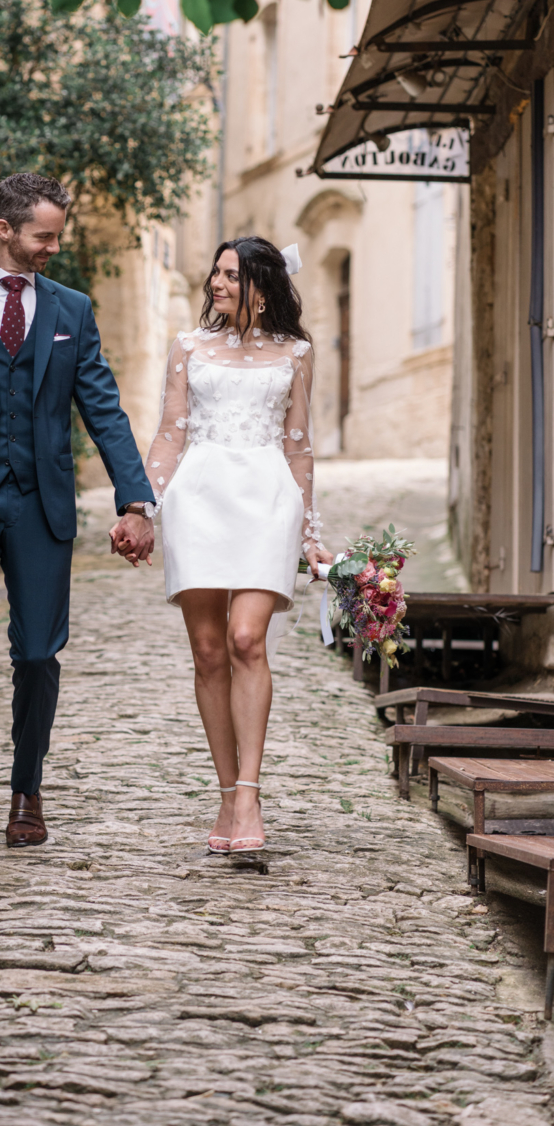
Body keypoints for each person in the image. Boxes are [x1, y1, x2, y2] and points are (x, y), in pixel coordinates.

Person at [0, 171, 157, 870]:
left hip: (40, 504)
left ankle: (25, 793)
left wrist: (136, 500)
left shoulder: (71, 308)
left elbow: (103, 407)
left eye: (57, 236)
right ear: (5, 230)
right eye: (44, 236)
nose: (53, 249)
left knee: (38, 653)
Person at [142, 236, 333, 854]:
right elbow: (170, 434)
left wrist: (310, 535)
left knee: (246, 638)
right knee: (207, 650)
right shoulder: (188, 347)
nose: (216, 284)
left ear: (262, 287)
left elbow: (298, 444)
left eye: (231, 276)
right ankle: (227, 797)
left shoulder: (296, 352)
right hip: (198, 499)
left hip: (268, 499)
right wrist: (146, 507)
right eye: (216, 273)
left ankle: (249, 795)